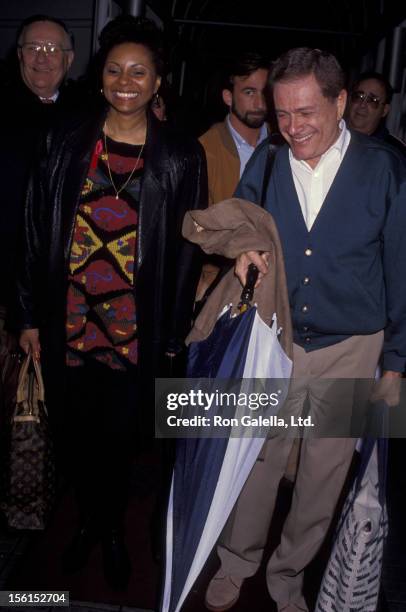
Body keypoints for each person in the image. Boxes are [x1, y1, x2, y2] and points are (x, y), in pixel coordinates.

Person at [204, 47, 406, 612]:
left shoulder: (385, 169)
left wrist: (397, 362)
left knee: (323, 472)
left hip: (352, 347)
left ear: (340, 103)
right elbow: (240, 219)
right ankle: (237, 559)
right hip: (278, 338)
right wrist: (242, 245)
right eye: (282, 114)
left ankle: (288, 573)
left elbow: (403, 268)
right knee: (258, 459)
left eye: (306, 112)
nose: (292, 128)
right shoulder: (267, 160)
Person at [16, 14, 207, 590]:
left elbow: (186, 257)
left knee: (122, 442)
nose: (126, 80)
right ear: (101, 78)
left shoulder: (179, 156)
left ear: (156, 84)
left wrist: (173, 337)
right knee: (75, 434)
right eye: (115, 69)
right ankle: (90, 525)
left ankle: (114, 531)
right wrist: (27, 315)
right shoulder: (65, 139)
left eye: (139, 72)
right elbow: (32, 230)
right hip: (68, 323)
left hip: (134, 332)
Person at [0, 14, 78, 316]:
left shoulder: (84, 117)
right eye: (33, 48)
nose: (42, 58)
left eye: (52, 49)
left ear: (69, 59)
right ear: (19, 55)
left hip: (64, 281)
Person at [197, 53, 270, 300]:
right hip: (221, 279)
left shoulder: (287, 146)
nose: (260, 102)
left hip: (275, 276)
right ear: (228, 97)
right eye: (249, 92)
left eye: (265, 92)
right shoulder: (205, 150)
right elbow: (196, 224)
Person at [347, 70, 406, 155]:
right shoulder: (329, 135)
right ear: (349, 100)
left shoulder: (395, 152)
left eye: (372, 100)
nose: (362, 104)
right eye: (359, 96)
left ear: (384, 110)